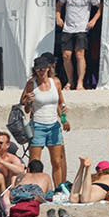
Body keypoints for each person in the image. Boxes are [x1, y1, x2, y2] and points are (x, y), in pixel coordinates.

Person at [20, 58, 68, 187]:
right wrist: (29, 102)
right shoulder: (31, 84)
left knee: (57, 161)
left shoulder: (56, 82)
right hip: (37, 125)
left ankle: (58, 188)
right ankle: (34, 188)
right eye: (37, 69)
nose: (40, 71)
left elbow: (61, 103)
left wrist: (64, 120)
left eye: (42, 68)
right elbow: (25, 108)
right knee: (35, 162)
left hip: (54, 125)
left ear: (48, 68)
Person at [57, 0, 102, 90]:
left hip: (82, 28)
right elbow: (59, 5)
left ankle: (80, 82)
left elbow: (100, 6)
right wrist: (58, 16)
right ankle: (70, 81)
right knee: (66, 55)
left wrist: (93, 20)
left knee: (79, 54)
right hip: (68, 28)